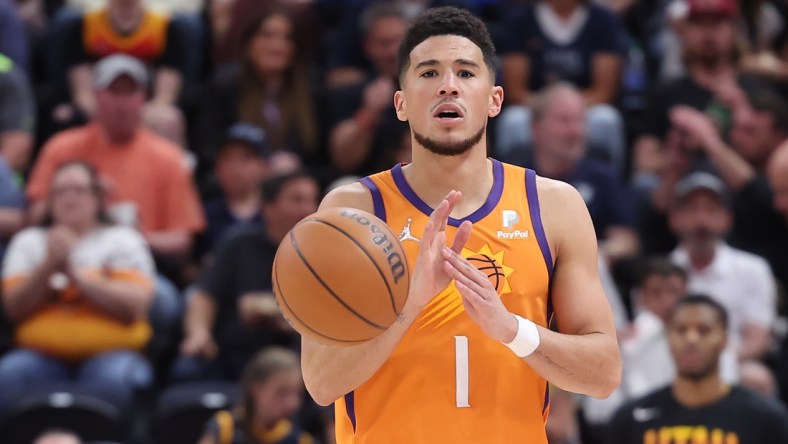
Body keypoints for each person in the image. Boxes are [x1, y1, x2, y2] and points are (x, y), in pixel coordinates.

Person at [301, 7, 621, 443]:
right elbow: (320, 383)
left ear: (495, 100)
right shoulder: (352, 211)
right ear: (401, 103)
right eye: (429, 73)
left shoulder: (553, 206)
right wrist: (407, 308)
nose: (448, 85)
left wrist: (511, 329)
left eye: (466, 73)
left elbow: (603, 373)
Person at [26, 54, 205, 280]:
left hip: (137, 266)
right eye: (113, 91)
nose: (122, 102)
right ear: (96, 96)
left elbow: (183, 241)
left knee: (160, 298)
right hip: (63, 259)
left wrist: (138, 236)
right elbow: (33, 215)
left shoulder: (169, 158)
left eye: (129, 92)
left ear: (144, 98)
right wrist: (75, 198)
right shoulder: (61, 147)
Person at [0, 161, 155, 414]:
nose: (69, 198)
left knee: (117, 379)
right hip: (39, 355)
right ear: (49, 201)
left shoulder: (123, 240)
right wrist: (49, 264)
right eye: (60, 191)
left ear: (97, 197)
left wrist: (78, 277)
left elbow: (135, 307)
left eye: (78, 190)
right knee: (9, 373)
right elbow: (13, 309)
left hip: (112, 354)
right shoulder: (28, 242)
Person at [172, 171, 319, 383]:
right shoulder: (238, 243)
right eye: (297, 200)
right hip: (231, 353)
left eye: (312, 200)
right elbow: (204, 295)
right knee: (187, 369)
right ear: (268, 207)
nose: (308, 209)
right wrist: (199, 334)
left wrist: (275, 317)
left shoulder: (322, 255)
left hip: (292, 359)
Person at [608, 295, 788, 444]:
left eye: (704, 330)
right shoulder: (630, 418)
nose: (691, 339)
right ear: (668, 338)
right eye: (680, 330)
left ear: (725, 339)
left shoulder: (765, 418)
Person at [668, 172, 776, 374]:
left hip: (733, 365)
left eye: (711, 209)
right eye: (692, 209)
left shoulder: (753, 269)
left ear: (727, 219)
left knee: (755, 376)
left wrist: (716, 362)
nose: (701, 220)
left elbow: (757, 340)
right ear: (674, 219)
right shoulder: (659, 272)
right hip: (669, 366)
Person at [198, 347, 314, 444]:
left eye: (297, 393)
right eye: (281, 392)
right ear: (256, 389)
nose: (292, 403)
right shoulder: (225, 427)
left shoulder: (300, 440)